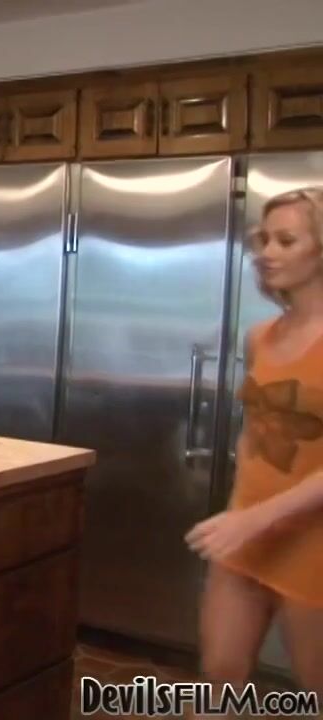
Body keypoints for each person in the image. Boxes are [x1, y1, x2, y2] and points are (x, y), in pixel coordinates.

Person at [186, 187, 323, 701]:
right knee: (219, 674)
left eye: (286, 241)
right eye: (263, 239)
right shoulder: (261, 336)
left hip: (313, 542)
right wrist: (240, 510)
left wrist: (256, 518)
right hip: (248, 531)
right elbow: (255, 431)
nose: (267, 252)